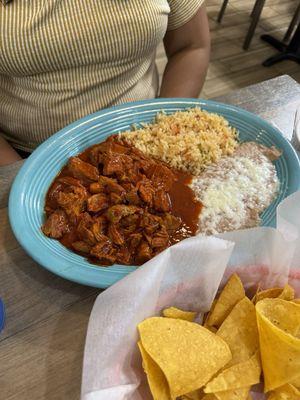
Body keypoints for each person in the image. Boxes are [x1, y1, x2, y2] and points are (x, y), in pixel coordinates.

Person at [0, 0, 210, 166]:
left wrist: (165, 135)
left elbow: (191, 46)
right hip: (25, 156)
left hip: (146, 140)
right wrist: (17, 172)